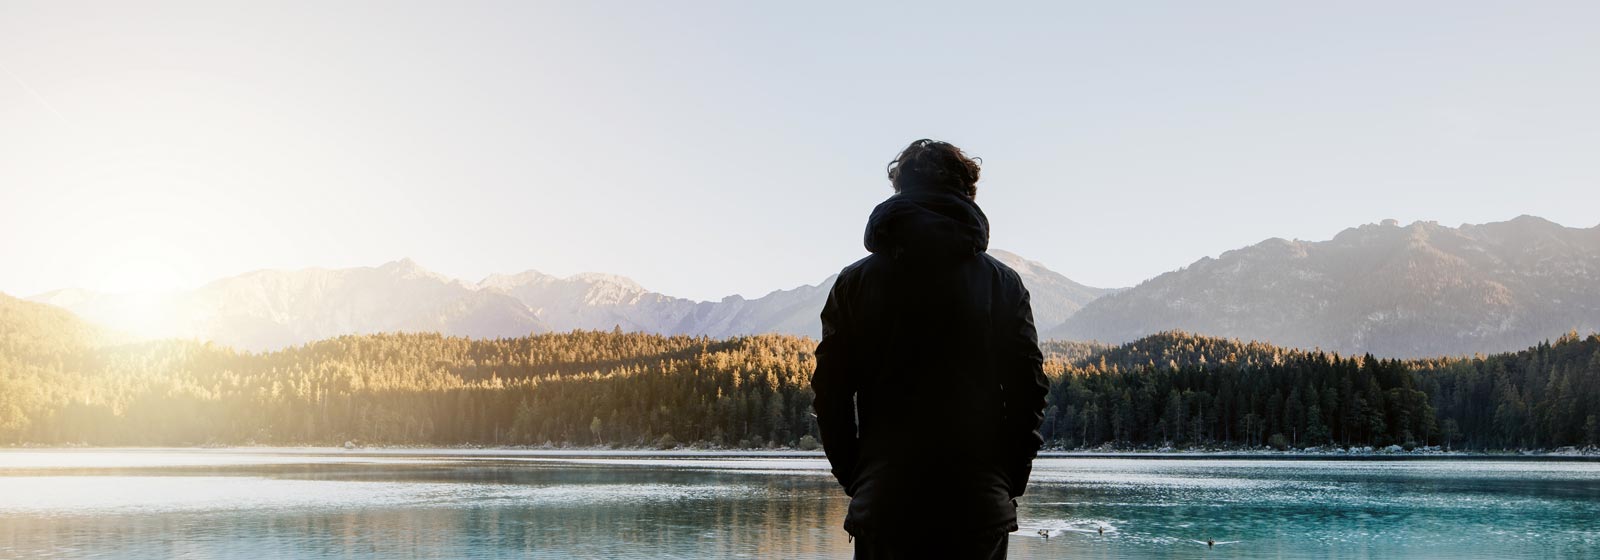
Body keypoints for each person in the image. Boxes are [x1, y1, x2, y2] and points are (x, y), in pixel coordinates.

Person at [811, 139, 1050, 559]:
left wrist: (860, 479)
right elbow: (1029, 392)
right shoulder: (1002, 285)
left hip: (885, 506)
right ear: (967, 191)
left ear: (900, 191)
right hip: (977, 509)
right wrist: (1006, 480)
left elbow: (829, 395)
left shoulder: (854, 285)